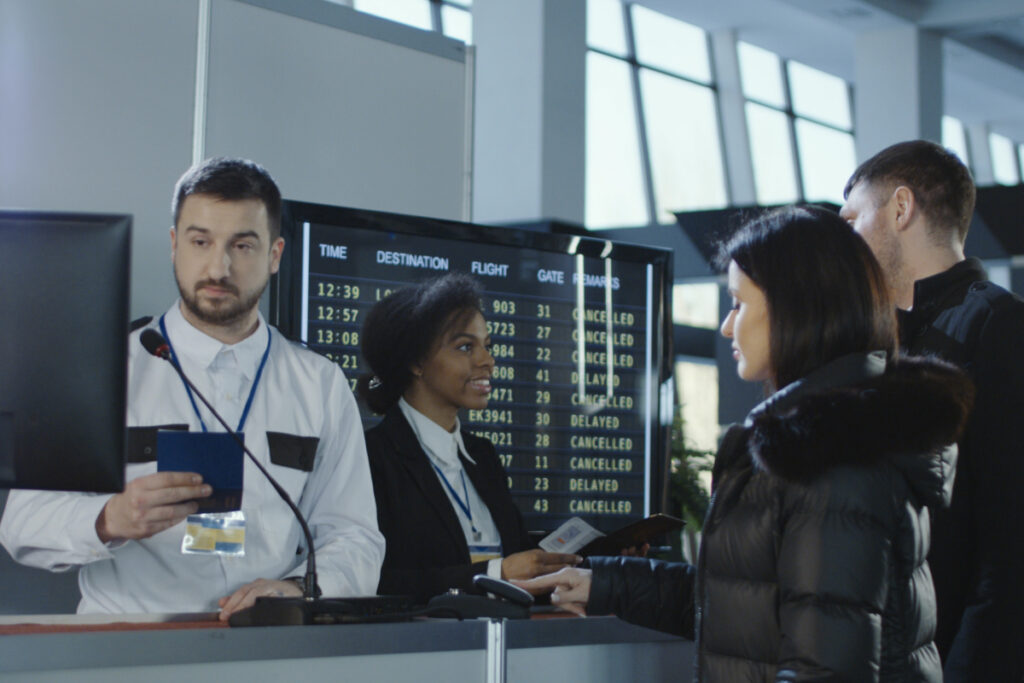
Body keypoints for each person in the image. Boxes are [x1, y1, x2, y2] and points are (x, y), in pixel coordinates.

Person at [517, 207, 973, 682]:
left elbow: (828, 670)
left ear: (795, 307)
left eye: (738, 303)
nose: (727, 327)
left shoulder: (833, 456)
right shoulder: (831, 438)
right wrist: (603, 583)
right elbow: (749, 604)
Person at [0, 157, 384, 619]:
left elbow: (355, 535)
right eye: (200, 241)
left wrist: (299, 588)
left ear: (275, 255)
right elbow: (20, 523)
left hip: (270, 646)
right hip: (126, 649)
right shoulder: (100, 370)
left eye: (242, 245)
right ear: (173, 245)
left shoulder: (319, 383)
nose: (218, 267)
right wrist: (109, 519)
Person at [841, 140, 1024, 681]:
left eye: (852, 219)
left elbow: (1010, 546)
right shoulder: (885, 340)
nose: (845, 241)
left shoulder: (999, 329)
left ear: (901, 208)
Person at [356, 273, 580, 603]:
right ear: (416, 362)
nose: (487, 361)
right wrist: (494, 575)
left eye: (487, 347)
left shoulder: (483, 456)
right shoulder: (372, 457)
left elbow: (517, 560)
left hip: (503, 642)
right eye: (465, 347)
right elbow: (372, 580)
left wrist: (581, 557)